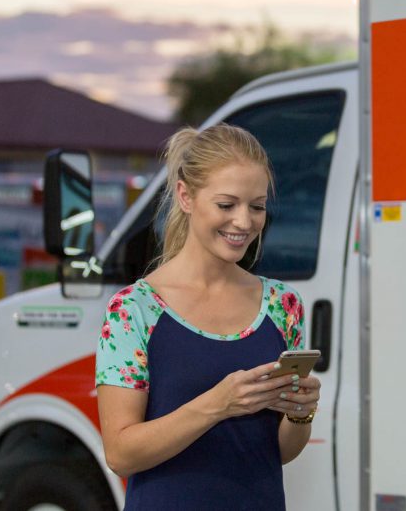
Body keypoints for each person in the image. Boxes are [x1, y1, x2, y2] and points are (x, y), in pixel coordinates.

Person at [95, 123, 320, 510]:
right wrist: (219, 403)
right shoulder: (135, 309)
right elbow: (120, 454)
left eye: (257, 206)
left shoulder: (283, 305)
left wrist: (300, 414)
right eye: (226, 205)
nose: (244, 222)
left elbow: (279, 452)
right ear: (185, 196)